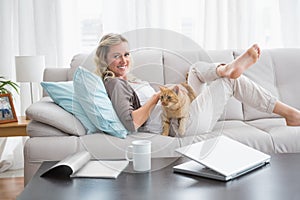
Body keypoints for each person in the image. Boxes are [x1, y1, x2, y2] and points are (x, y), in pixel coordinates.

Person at [94, 33, 300, 136]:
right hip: (180, 123)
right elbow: (132, 123)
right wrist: (158, 97)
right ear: (105, 60)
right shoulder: (114, 83)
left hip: (181, 109)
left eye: (126, 54)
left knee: (195, 70)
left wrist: (177, 90)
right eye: (116, 56)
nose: (124, 60)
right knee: (229, 82)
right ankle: (292, 115)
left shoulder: (128, 80)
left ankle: (225, 68)